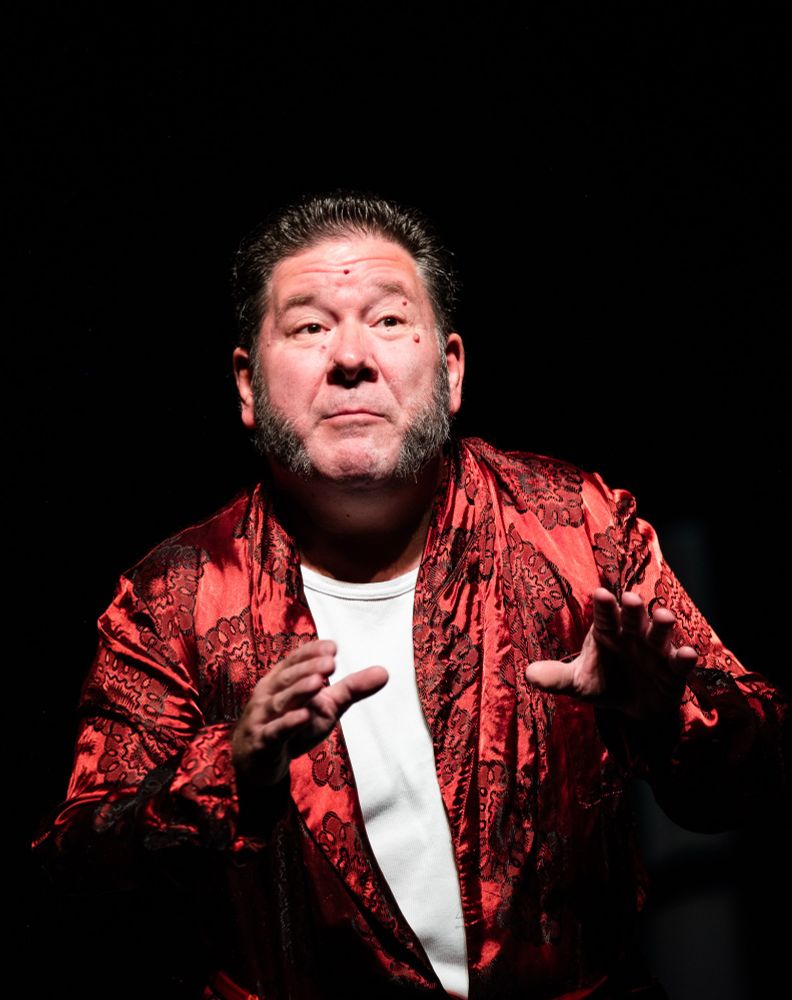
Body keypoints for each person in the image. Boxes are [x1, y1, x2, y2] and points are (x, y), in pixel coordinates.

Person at [36, 192, 788, 999]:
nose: (352, 356)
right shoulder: (174, 597)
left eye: (390, 321)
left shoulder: (578, 527)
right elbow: (79, 871)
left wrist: (666, 709)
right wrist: (234, 769)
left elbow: (758, 774)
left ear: (452, 370)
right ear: (247, 386)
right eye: (310, 326)